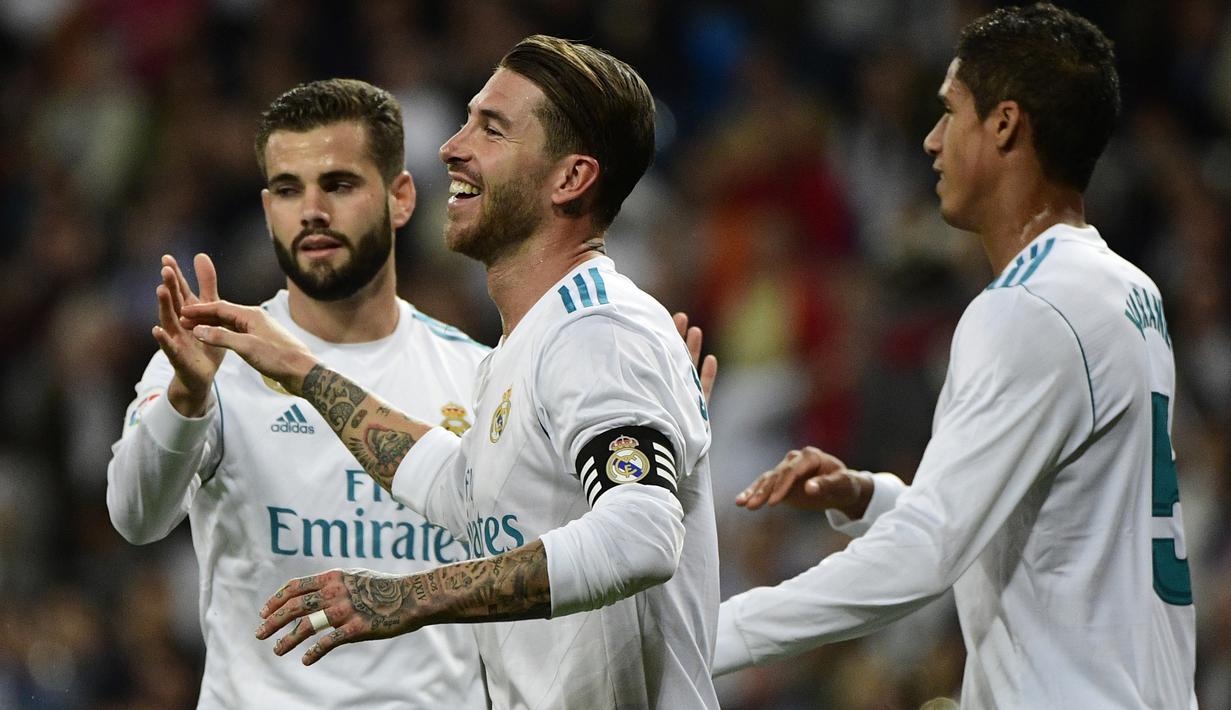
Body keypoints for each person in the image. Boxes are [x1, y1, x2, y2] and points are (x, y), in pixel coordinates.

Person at [181, 35, 721, 709]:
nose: (450, 146)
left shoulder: (597, 331)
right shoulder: (528, 347)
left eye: (491, 129)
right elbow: (455, 487)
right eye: (466, 119)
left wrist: (409, 597)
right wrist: (300, 368)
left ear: (570, 178)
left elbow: (641, 533)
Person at [712, 4, 1198, 708]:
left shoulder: (1026, 309)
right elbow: (1057, 528)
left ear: (1002, 124)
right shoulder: (1126, 290)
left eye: (949, 112)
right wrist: (872, 496)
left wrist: (706, 637)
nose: (932, 142)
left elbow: (926, 553)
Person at [106, 78, 493, 709]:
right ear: (266, 209)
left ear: (400, 198)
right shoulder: (207, 360)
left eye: (338, 184)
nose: (311, 209)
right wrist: (186, 400)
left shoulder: (475, 373)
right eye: (288, 189)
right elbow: (136, 518)